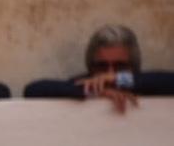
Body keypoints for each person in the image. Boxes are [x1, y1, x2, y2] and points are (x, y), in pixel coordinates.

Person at [23, 24, 174, 112]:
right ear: (91, 66)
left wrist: (120, 80)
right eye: (102, 66)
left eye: (120, 66)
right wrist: (94, 91)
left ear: (133, 66)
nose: (109, 73)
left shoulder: (145, 83)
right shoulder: (86, 84)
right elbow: (33, 90)